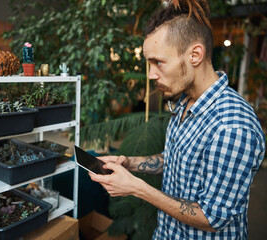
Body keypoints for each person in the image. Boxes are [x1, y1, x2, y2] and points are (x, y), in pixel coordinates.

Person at [89, 0, 266, 239]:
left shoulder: (233, 126)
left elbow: (212, 217)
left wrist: (137, 188)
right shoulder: (184, 101)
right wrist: (130, 163)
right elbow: (177, 159)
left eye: (158, 62)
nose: (151, 74)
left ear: (195, 55)